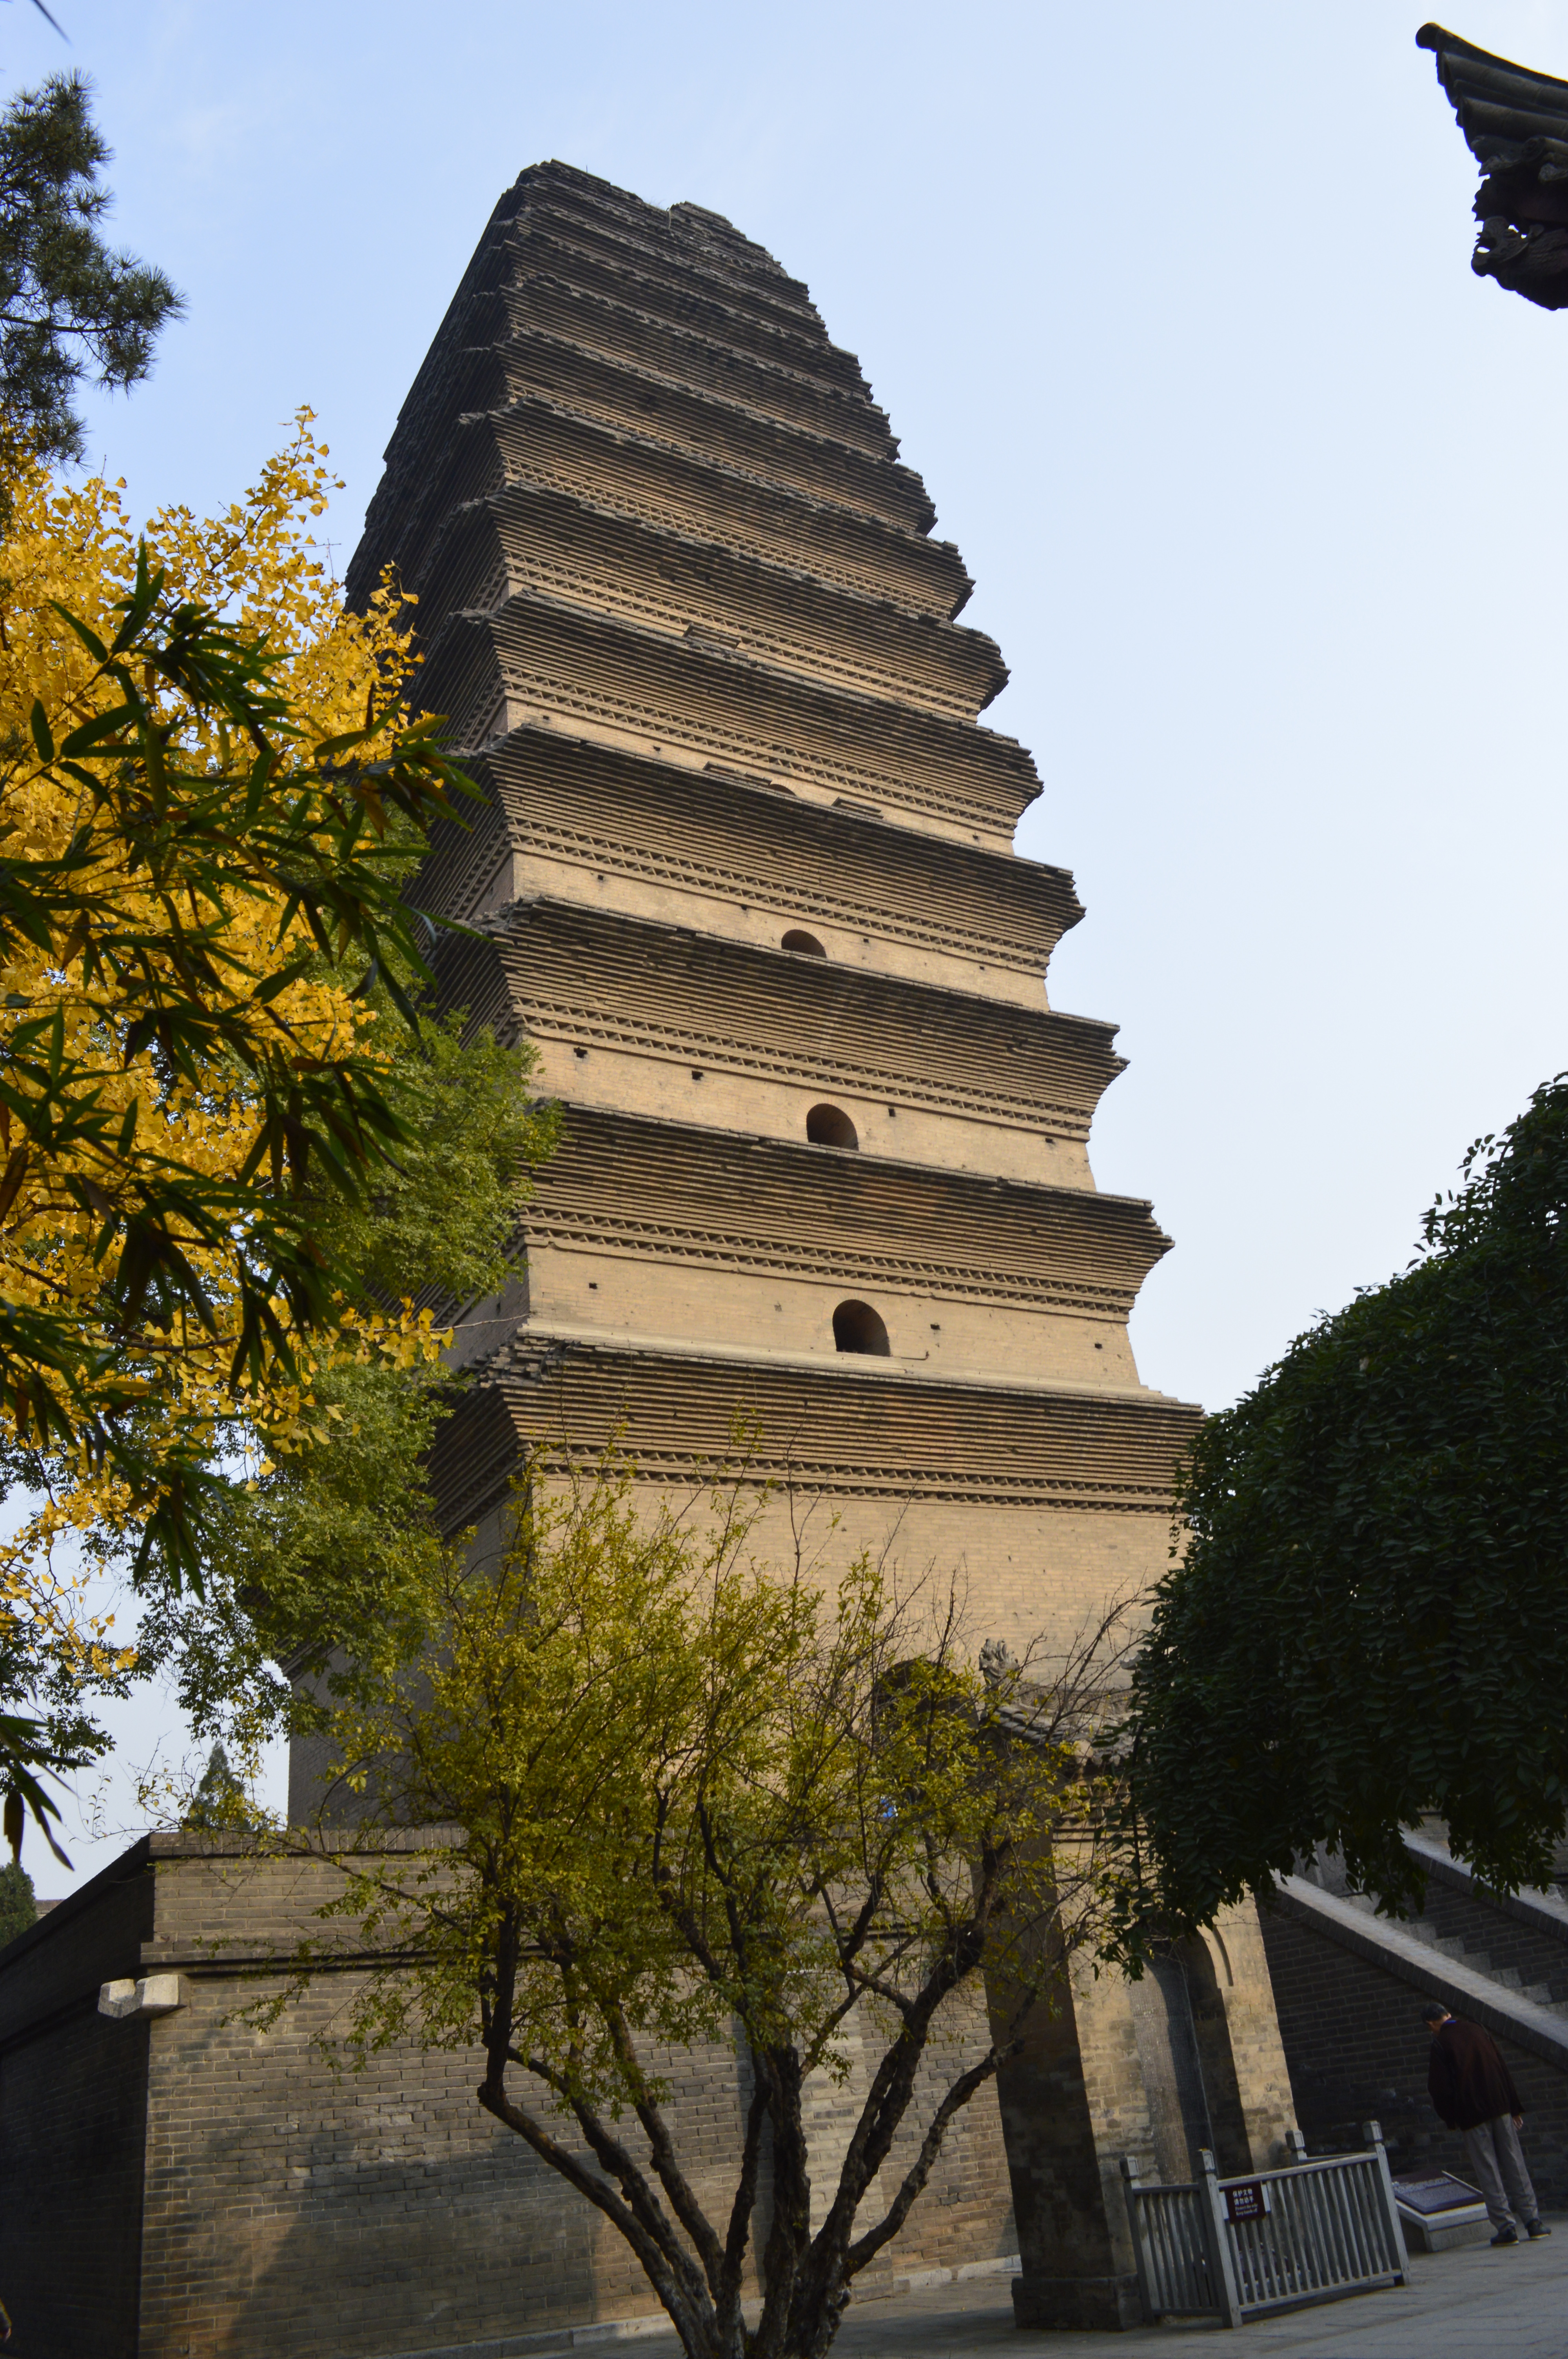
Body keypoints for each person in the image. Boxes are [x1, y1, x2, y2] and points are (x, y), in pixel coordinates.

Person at [1422, 2001, 1551, 2245]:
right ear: (1449, 2014)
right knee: (1515, 2163)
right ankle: (1534, 2222)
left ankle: (1506, 2228)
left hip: (1472, 2115)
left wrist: (1452, 2118)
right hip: (1500, 2106)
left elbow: (1439, 2089)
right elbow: (1501, 2067)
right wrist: (1514, 2107)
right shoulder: (1478, 2028)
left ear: (1431, 2024)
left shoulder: (1440, 2043)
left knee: (1488, 2169)